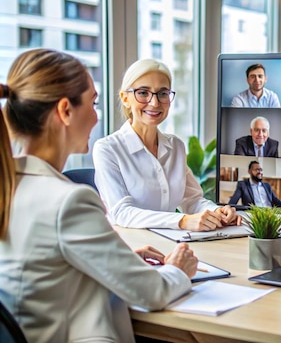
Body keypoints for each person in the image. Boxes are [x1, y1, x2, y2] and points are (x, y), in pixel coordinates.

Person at [0, 49, 199, 342]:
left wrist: (120, 259)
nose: (96, 118)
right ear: (66, 111)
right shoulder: (68, 202)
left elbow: (40, 269)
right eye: (93, 103)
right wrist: (178, 270)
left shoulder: (10, 184)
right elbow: (153, 293)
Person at [93, 58, 240, 231]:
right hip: (131, 248)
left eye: (162, 93)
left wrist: (218, 211)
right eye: (143, 93)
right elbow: (121, 213)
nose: (154, 103)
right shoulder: (107, 149)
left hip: (172, 245)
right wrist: (182, 221)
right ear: (125, 98)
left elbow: (192, 200)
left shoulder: (175, 146)